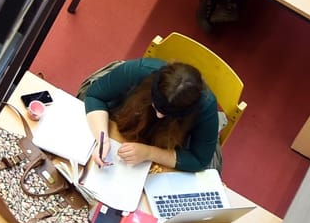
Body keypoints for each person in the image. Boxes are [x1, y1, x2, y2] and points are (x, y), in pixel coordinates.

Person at [81, 58, 220, 172]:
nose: (159, 115)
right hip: (126, 122)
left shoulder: (206, 106)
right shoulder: (141, 70)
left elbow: (200, 160)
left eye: (166, 113)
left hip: (171, 141)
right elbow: (95, 95)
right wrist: (103, 139)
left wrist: (149, 153)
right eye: (156, 106)